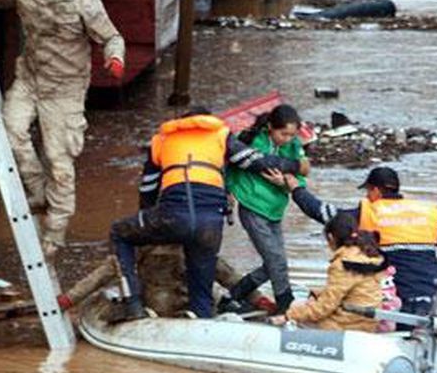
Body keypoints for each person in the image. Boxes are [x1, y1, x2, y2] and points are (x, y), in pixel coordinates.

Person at [0, 0, 125, 256]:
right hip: (30, 78)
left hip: (65, 88)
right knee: (9, 130)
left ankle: (55, 234)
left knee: (60, 161)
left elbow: (111, 35)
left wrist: (114, 57)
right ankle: (36, 190)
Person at [106, 108, 306, 323]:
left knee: (119, 232)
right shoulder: (220, 134)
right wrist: (297, 166)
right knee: (202, 288)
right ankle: (201, 315)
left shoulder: (162, 140)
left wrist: (148, 224)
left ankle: (132, 304)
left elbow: (148, 189)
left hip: (172, 215)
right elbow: (256, 161)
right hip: (211, 223)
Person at [282, 166, 437, 321]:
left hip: (395, 289)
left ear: (376, 190)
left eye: (368, 191)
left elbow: (324, 213)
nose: (367, 196)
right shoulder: (427, 212)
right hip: (430, 285)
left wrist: (296, 189)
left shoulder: (369, 212)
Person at [218, 105, 310, 315]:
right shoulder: (252, 141)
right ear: (270, 127)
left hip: (276, 210)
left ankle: (232, 296)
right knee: (276, 260)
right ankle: (285, 305)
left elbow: (301, 178)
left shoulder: (294, 146)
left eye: (291, 134)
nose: (287, 139)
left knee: (275, 263)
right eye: (283, 133)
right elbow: (230, 166)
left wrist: (282, 182)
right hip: (252, 207)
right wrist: (229, 191)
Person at [268, 213, 388, 332]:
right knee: (303, 306)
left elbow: (323, 308)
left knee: (295, 309)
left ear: (331, 237)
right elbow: (349, 290)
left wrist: (287, 316)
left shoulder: (342, 264)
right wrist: (317, 294)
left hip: (348, 324)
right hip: (367, 320)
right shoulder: (367, 254)